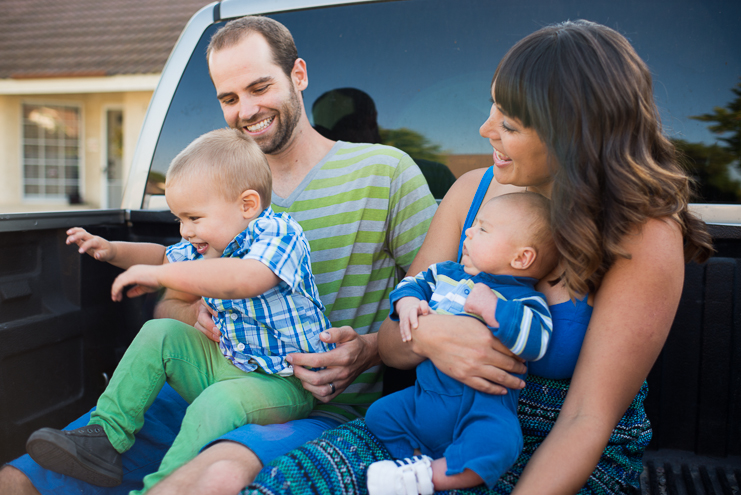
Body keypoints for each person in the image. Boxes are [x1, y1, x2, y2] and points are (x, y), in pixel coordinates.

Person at [244, 19, 714, 495]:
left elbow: (585, 420)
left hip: (568, 452)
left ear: (570, 134)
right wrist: (430, 335)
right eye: (492, 107)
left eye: (508, 123)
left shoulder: (645, 233)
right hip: (434, 423)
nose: (485, 128)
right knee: (286, 484)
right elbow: (390, 343)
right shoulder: (471, 192)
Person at [0, 15, 438, 495]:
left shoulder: (386, 172)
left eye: (259, 87)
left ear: (298, 76)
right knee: (18, 480)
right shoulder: (215, 185)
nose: (246, 110)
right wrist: (189, 307)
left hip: (308, 406)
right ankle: (105, 438)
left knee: (199, 481)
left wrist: (371, 348)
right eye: (229, 98)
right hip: (201, 377)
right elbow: (171, 294)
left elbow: (433, 308)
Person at [26, 128, 335, 494]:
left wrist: (160, 276)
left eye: (193, 217)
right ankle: (106, 438)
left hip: (284, 382)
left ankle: (164, 486)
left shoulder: (279, 233)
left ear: (247, 205)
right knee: (159, 333)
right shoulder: (208, 242)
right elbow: (161, 254)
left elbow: (247, 278)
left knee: (216, 402)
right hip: (226, 364)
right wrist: (112, 251)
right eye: (179, 219)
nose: (184, 231)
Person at [365, 192, 558, 494]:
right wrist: (407, 303)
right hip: (423, 399)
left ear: (521, 257)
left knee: (501, 443)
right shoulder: (444, 274)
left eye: (482, 229)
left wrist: (494, 308)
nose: (468, 232)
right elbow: (410, 284)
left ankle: (431, 477)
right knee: (381, 414)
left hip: (482, 407)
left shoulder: (524, 300)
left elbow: (537, 341)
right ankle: (414, 460)